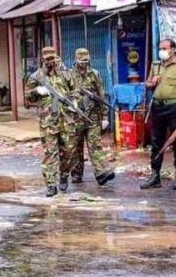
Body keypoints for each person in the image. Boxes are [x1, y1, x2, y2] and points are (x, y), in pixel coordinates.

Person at [25, 47, 77, 197]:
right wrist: (37, 91)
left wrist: (74, 102)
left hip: (67, 119)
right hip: (48, 121)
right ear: (42, 59)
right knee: (50, 153)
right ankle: (51, 184)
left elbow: (75, 91)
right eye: (47, 59)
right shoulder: (36, 77)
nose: (50, 61)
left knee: (69, 151)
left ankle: (64, 175)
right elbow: (27, 96)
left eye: (52, 58)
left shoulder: (65, 74)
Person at [141, 38, 176, 190]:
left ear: (173, 49)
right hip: (157, 108)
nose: (161, 51)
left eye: (164, 48)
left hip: (175, 107)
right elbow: (147, 84)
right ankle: (155, 176)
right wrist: (153, 81)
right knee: (156, 141)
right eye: (160, 48)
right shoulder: (156, 65)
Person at [70, 48, 116, 186]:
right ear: (76, 60)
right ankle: (76, 174)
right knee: (76, 147)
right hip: (75, 117)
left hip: (93, 117)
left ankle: (102, 173)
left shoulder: (94, 74)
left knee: (95, 145)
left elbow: (101, 96)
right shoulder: (68, 75)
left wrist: (105, 116)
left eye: (86, 60)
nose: (84, 63)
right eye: (81, 60)